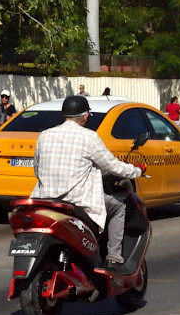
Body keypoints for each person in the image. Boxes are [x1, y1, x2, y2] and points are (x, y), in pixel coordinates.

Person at [29, 95, 145, 265]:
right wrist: (136, 171)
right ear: (85, 117)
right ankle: (114, 257)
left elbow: (37, 171)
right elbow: (113, 166)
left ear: (64, 116)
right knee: (119, 207)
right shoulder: (89, 137)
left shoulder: (44, 135)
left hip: (45, 200)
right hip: (77, 201)